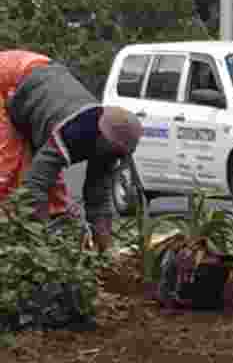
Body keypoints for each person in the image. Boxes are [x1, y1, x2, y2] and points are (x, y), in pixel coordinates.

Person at [0, 50, 143, 252]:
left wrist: (107, 252)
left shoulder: (108, 147)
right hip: (9, 76)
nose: (117, 159)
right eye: (117, 152)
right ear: (104, 138)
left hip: (40, 74)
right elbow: (34, 186)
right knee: (7, 173)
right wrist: (43, 244)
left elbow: (97, 198)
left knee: (53, 197)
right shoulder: (74, 130)